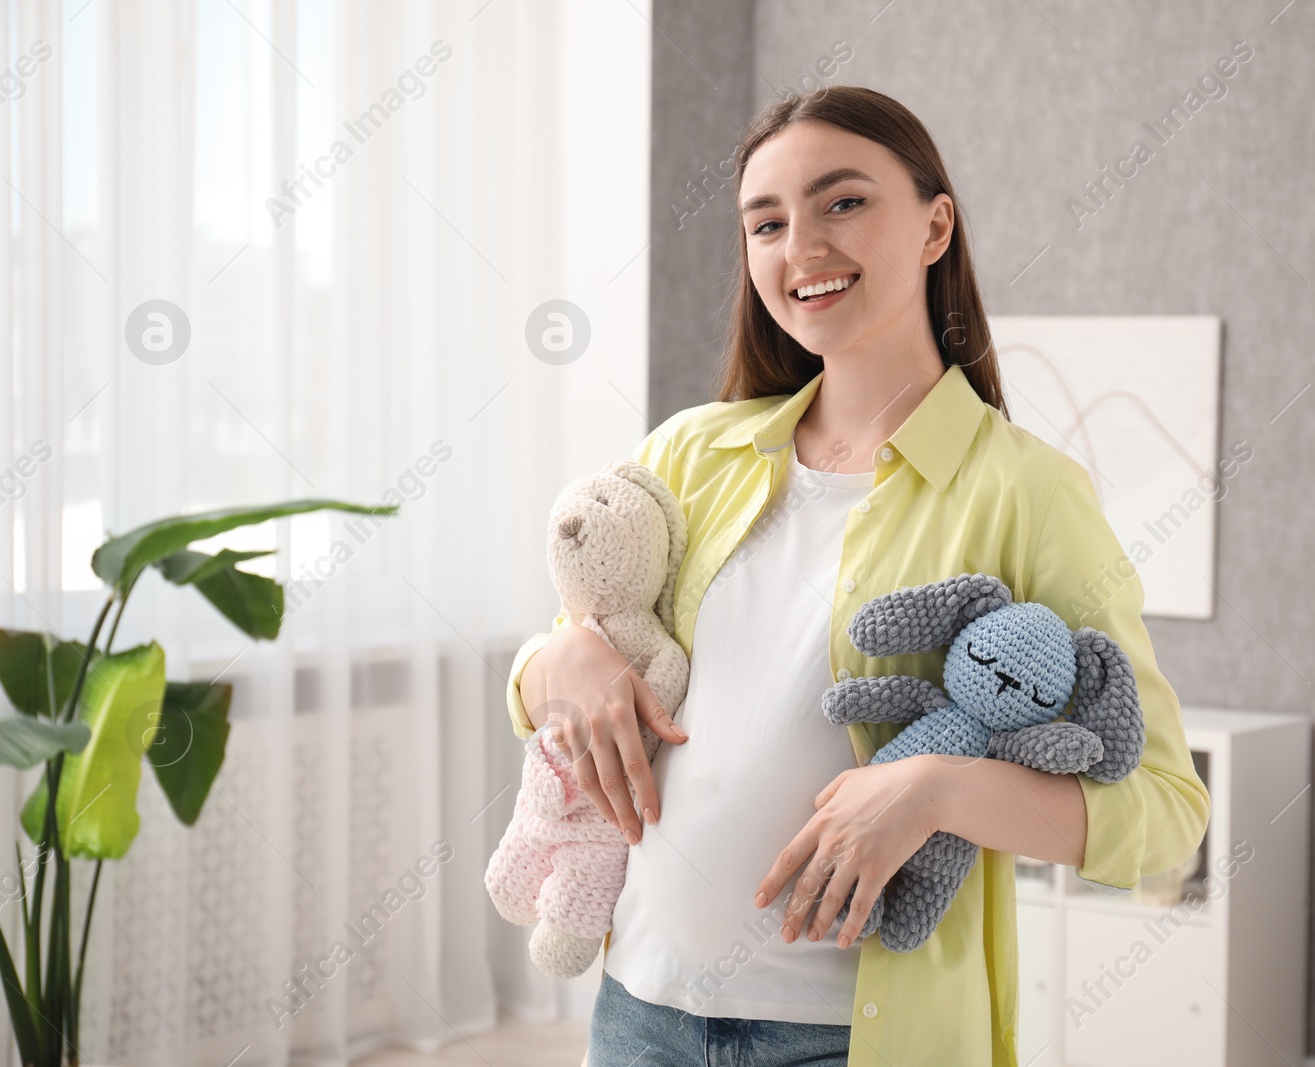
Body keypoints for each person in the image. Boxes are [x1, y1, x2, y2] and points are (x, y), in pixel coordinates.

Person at [505, 85, 1210, 1067]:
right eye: (766, 222)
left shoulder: (1024, 491)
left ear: (934, 225)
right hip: (641, 1009)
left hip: (848, 1037)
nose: (801, 248)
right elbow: (569, 655)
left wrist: (935, 787)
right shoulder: (690, 453)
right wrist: (559, 658)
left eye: (842, 202)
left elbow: (1166, 811)